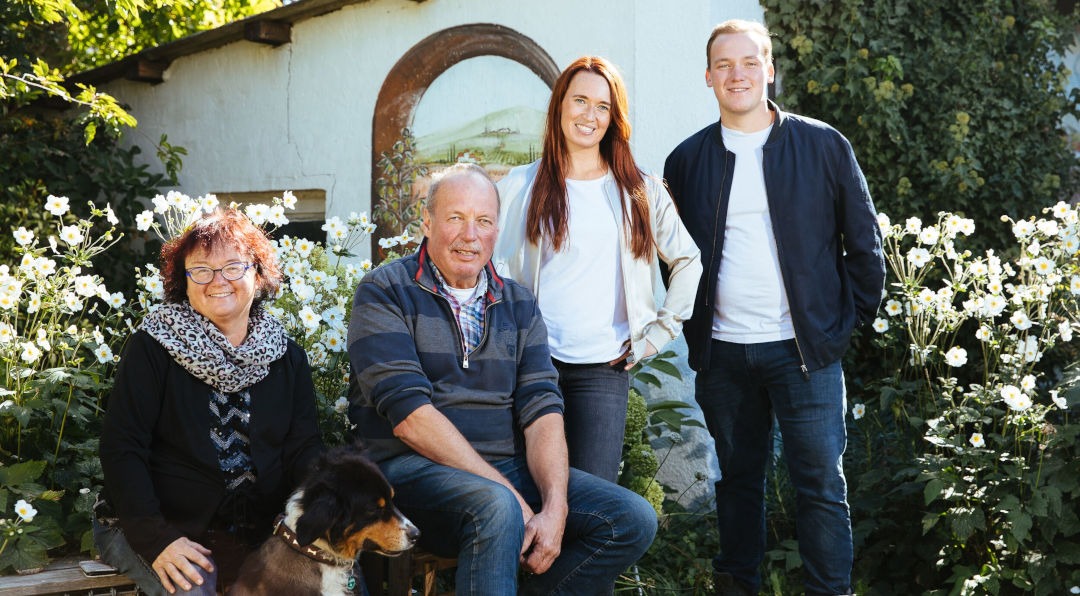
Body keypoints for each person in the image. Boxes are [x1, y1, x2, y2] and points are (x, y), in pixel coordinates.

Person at [347, 163, 657, 595]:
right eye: (455, 217)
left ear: (497, 229)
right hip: (407, 473)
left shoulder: (519, 303)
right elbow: (410, 418)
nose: (469, 234)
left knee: (630, 518)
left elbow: (542, 411)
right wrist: (511, 496)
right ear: (427, 221)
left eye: (484, 221)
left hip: (504, 469)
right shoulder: (384, 291)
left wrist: (555, 508)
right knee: (495, 506)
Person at [663, 19, 885, 596]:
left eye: (749, 62)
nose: (737, 75)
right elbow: (668, 257)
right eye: (724, 65)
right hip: (725, 356)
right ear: (708, 76)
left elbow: (864, 246)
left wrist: (839, 330)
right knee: (738, 482)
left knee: (819, 485)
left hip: (804, 352)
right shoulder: (686, 161)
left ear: (770, 69)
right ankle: (738, 586)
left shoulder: (824, 145)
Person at [494, 55, 701, 484]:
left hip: (604, 369)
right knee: (530, 493)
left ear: (614, 117)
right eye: (580, 101)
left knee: (594, 501)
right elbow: (486, 263)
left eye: (602, 106)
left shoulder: (639, 189)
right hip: (533, 363)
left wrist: (659, 333)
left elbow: (687, 260)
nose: (589, 115)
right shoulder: (519, 186)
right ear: (560, 106)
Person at [96, 208, 324, 595]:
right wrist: (157, 540)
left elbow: (303, 447)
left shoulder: (286, 356)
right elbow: (122, 448)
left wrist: (324, 510)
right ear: (183, 281)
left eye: (233, 267)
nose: (217, 281)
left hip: (257, 531)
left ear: (257, 273)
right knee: (195, 584)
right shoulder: (153, 347)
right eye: (201, 269)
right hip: (159, 525)